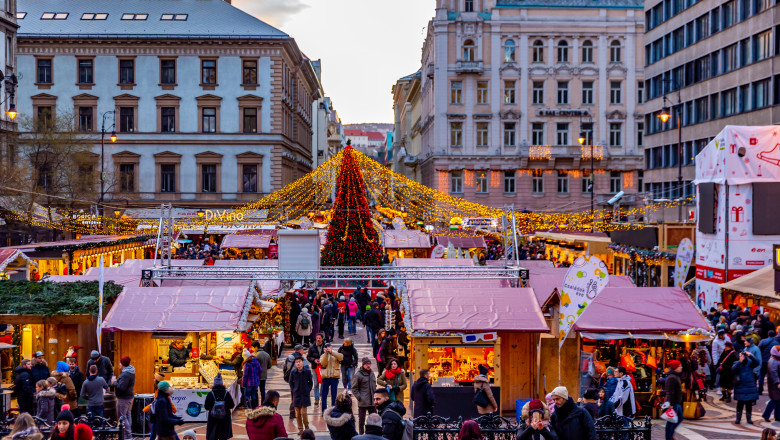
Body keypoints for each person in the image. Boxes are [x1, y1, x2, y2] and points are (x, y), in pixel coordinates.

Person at [204, 373, 235, 440]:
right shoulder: (226, 393)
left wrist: (212, 408)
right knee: (223, 436)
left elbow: (206, 406)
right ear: (222, 383)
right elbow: (232, 405)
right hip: (224, 418)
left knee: (213, 435)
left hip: (213, 418)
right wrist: (225, 408)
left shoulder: (210, 394)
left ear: (214, 383)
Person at [732, 350, 760, 424]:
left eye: (742, 355)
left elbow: (757, 362)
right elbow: (733, 370)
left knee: (749, 404)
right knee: (740, 403)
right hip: (740, 386)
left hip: (749, 386)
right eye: (740, 356)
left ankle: (749, 418)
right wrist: (739, 362)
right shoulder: (736, 363)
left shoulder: (750, 363)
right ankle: (738, 418)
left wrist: (750, 355)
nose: (741, 357)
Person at [289, 357, 313, 437]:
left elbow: (311, 382)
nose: (298, 363)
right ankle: (300, 429)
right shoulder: (293, 372)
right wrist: (293, 389)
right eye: (296, 362)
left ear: (302, 362)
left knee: (304, 413)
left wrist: (308, 389)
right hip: (296, 395)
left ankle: (306, 428)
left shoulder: (307, 371)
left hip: (305, 395)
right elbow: (290, 382)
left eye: (299, 362)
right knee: (297, 414)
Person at [353, 357, 377, 434]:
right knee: (361, 422)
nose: (368, 365)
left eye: (369, 364)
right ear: (363, 365)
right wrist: (359, 398)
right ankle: (361, 435)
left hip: (372, 401)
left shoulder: (372, 373)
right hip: (363, 402)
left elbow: (374, 385)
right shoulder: (358, 375)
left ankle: (373, 434)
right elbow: (354, 388)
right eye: (367, 364)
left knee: (374, 420)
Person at [319, 342, 343, 414]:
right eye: (326, 347)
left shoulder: (335, 354)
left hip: (334, 377)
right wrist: (326, 354)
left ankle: (334, 410)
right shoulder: (323, 356)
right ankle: (324, 411)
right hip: (326, 377)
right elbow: (323, 363)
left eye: (329, 346)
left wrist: (331, 352)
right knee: (324, 395)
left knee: (334, 395)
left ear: (332, 347)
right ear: (324, 348)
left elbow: (341, 357)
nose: (328, 348)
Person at [283, 345, 306, 419]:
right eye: (303, 350)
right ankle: (294, 412)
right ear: (299, 350)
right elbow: (305, 369)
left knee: (293, 394)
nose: (303, 351)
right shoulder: (301, 359)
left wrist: (287, 376)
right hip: (298, 379)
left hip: (291, 379)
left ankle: (294, 412)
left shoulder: (289, 357)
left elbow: (284, 367)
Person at [115, 356, 135, 440]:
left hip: (123, 397)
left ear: (122, 364)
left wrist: (115, 382)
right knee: (127, 415)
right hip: (129, 396)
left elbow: (121, 387)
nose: (119, 364)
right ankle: (128, 433)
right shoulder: (130, 371)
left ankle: (127, 435)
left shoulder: (125, 374)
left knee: (122, 416)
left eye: (120, 363)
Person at [664, 360, 683, 440]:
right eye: (679, 366)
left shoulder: (675, 376)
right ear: (675, 367)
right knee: (671, 422)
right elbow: (669, 391)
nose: (681, 367)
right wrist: (670, 404)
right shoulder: (672, 377)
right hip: (673, 403)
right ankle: (668, 437)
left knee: (679, 418)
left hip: (676, 403)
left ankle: (670, 436)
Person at [307, 334, 326, 406]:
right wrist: (314, 360)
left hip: (323, 367)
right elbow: (308, 357)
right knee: (316, 383)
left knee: (323, 382)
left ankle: (321, 396)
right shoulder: (312, 347)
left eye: (319, 338)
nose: (318, 339)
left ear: (322, 339)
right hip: (315, 367)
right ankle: (316, 398)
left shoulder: (325, 346)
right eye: (317, 338)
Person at [763, 346, 780, 422]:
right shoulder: (773, 361)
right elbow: (773, 373)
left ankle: (778, 416)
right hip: (774, 384)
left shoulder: (776, 359)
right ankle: (766, 415)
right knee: (775, 400)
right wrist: (778, 382)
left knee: (778, 400)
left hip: (775, 383)